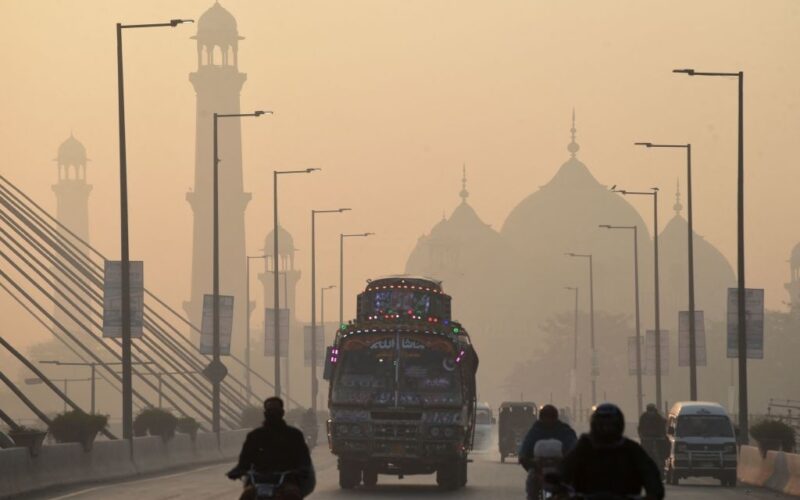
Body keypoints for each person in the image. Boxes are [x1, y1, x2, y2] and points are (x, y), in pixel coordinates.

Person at [561, 403, 665, 499]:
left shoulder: (631, 449)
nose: (606, 430)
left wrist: (652, 494)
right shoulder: (584, 447)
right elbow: (563, 471)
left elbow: (651, 476)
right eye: (602, 425)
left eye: (610, 426)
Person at [227, 397, 316, 500]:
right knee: (246, 496)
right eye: (270, 411)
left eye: (275, 411)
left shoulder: (294, 435)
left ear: (282, 412)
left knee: (292, 495)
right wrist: (238, 470)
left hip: (286, 481)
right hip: (259, 481)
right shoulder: (255, 436)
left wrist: (302, 469)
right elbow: (245, 460)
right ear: (265, 413)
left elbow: (304, 458)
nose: (272, 414)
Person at [518, 404, 577, 500]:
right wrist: (525, 458)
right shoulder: (535, 431)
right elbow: (525, 448)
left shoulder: (564, 431)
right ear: (541, 418)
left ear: (556, 418)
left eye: (551, 417)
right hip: (539, 470)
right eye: (546, 417)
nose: (548, 420)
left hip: (561, 469)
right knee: (531, 484)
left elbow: (574, 447)